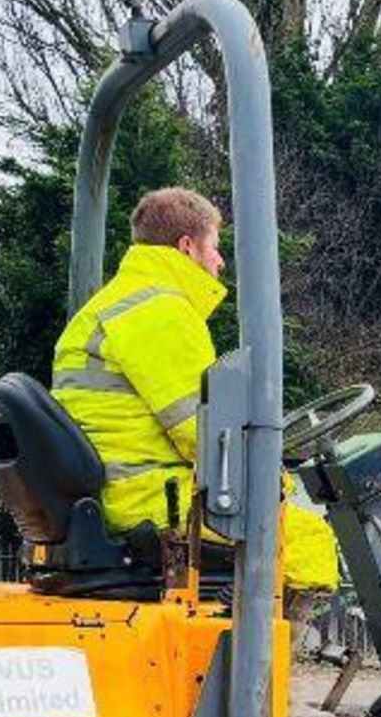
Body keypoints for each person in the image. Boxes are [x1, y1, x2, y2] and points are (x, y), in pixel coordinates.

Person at [51, 186, 340, 595]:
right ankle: (253, 658)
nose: (220, 261)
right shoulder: (162, 312)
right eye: (215, 247)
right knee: (307, 539)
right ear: (187, 247)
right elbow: (204, 437)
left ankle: (232, 639)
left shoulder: (113, 304)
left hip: (120, 491)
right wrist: (275, 482)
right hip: (150, 500)